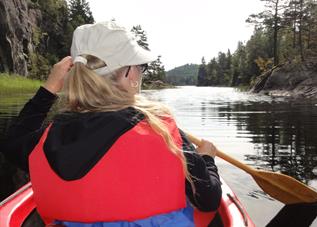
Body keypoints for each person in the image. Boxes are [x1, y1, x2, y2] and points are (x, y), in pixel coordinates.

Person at [2, 21, 222, 226]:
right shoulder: (162, 127)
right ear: (127, 73)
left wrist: (50, 87)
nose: (140, 72)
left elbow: (13, 142)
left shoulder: (49, 136)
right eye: (140, 66)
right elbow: (208, 199)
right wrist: (206, 158)